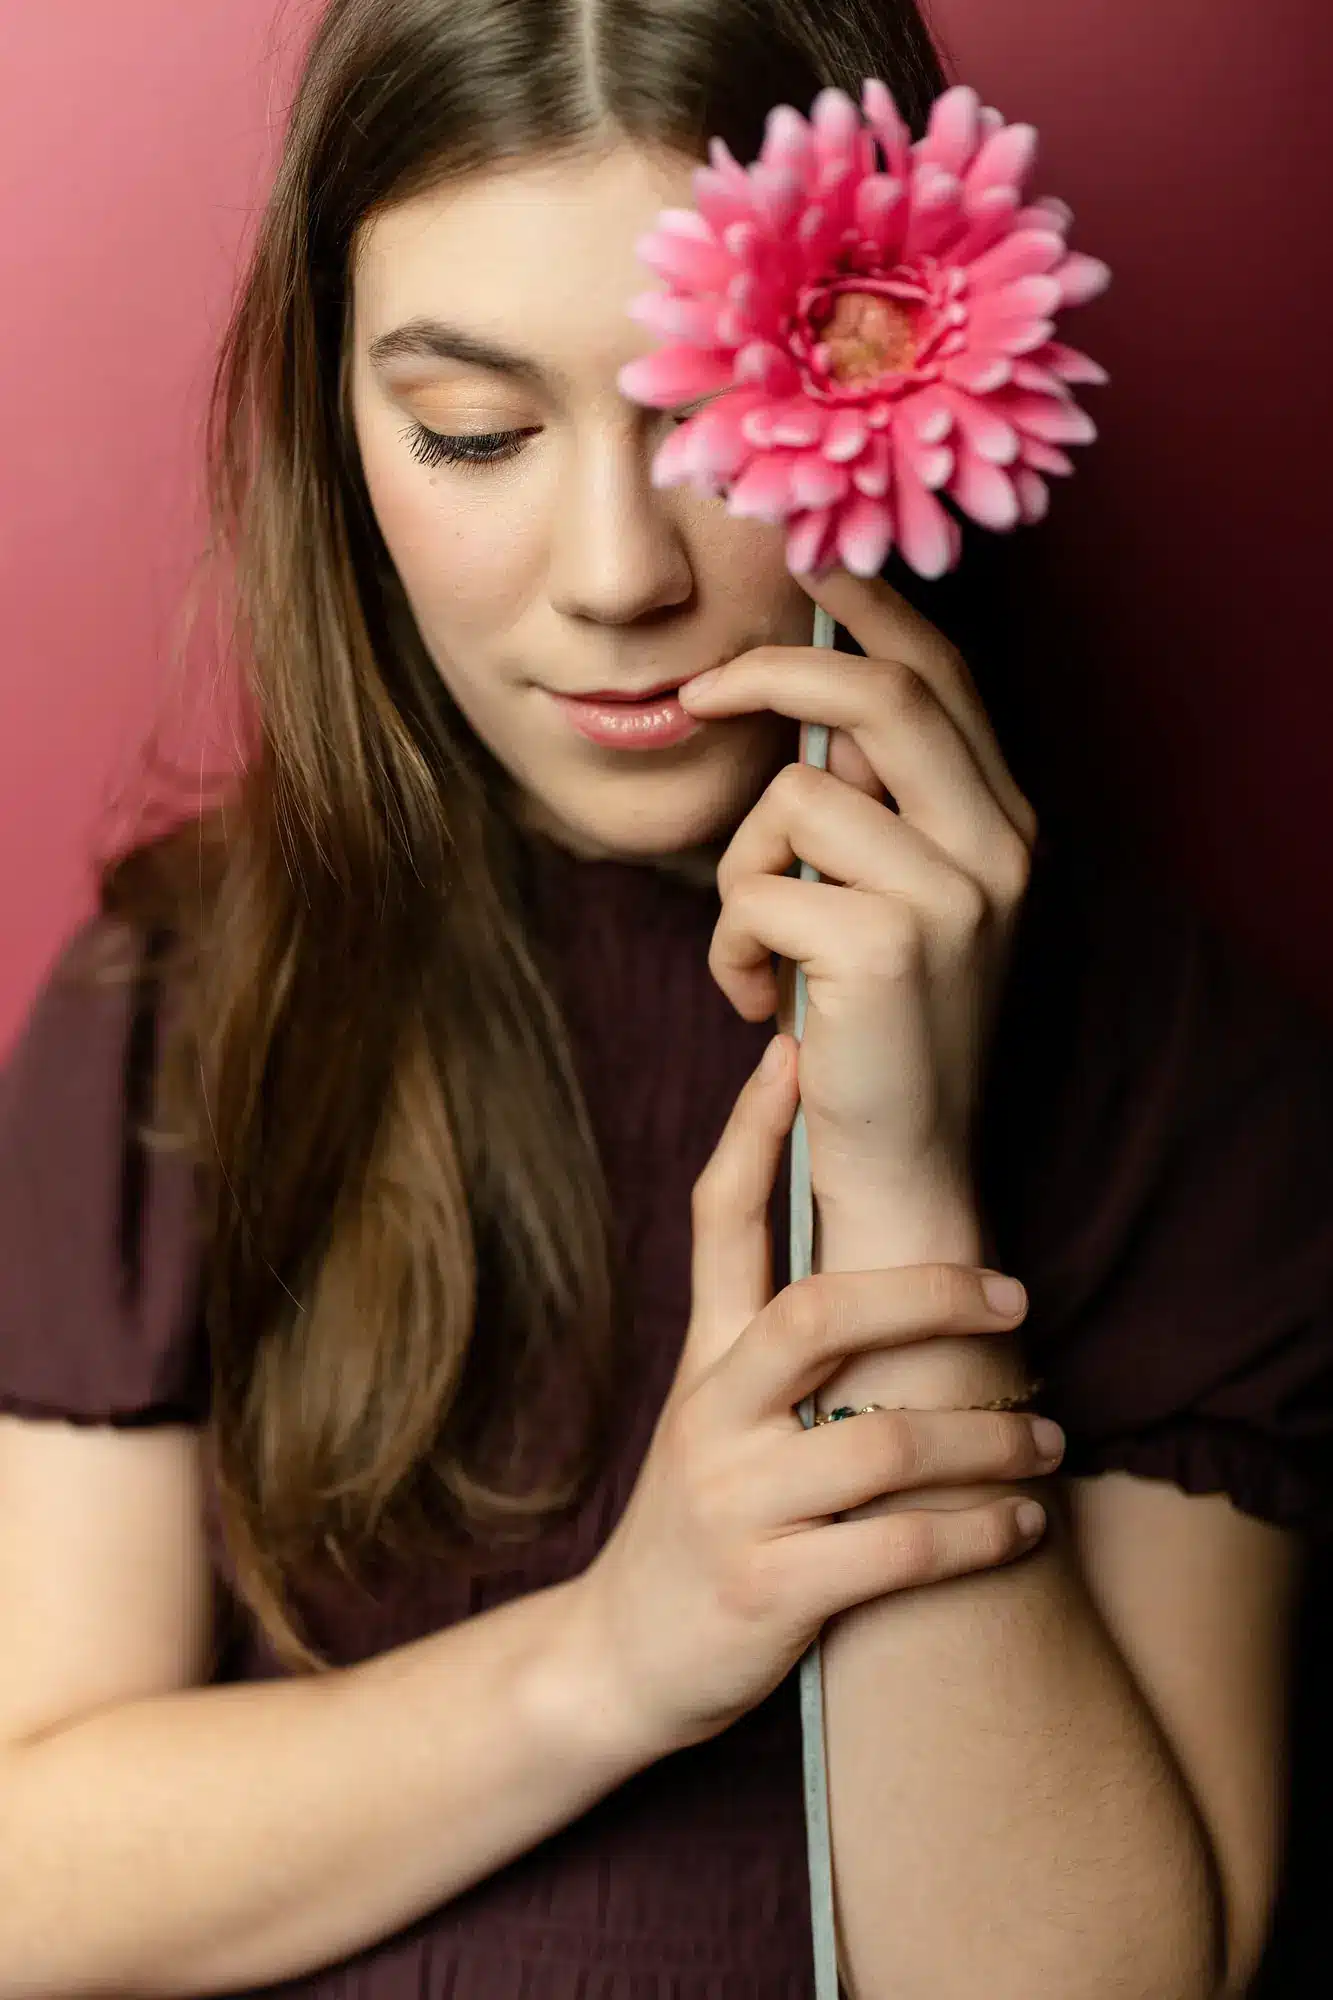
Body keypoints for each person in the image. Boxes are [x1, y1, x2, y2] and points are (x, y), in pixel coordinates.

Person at [1, 1, 1330, 1994]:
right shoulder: (184, 1015)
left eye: (702, 422)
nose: (620, 571)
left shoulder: (1185, 1080)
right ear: (331, 423)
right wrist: (623, 1650)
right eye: (474, 431)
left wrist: (897, 1172)